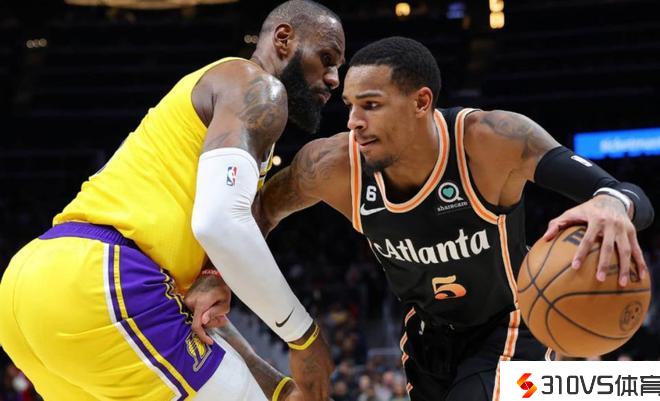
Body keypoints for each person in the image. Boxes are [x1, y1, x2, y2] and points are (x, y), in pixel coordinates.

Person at [254, 37, 654, 401]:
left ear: (421, 102)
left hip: (510, 325)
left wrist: (612, 204)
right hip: (426, 338)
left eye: (371, 105)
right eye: (350, 105)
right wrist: (222, 281)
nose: (353, 121)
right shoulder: (331, 166)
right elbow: (258, 213)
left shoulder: (490, 139)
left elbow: (624, 192)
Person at [0, 1, 344, 400]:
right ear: (284, 39)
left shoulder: (216, 115)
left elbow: (188, 312)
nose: (334, 79)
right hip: (102, 279)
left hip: (30, 288)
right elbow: (219, 224)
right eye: (326, 58)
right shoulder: (257, 87)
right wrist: (305, 338)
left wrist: (279, 390)